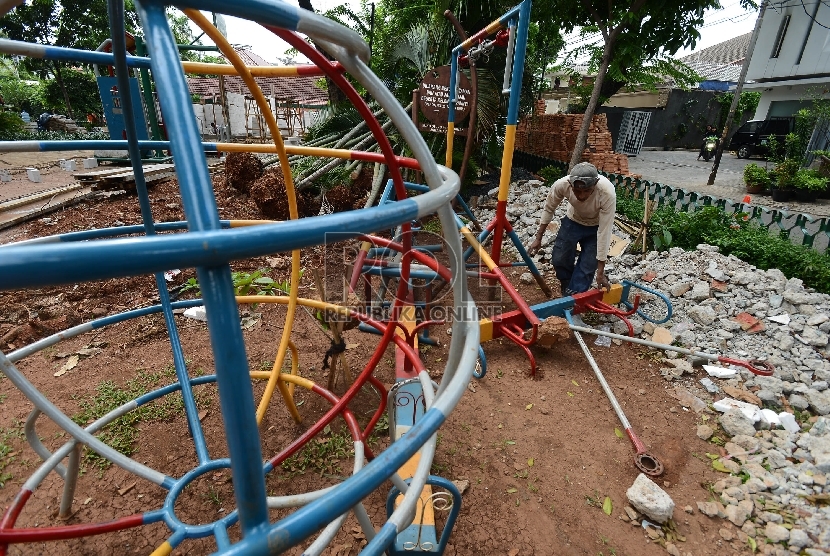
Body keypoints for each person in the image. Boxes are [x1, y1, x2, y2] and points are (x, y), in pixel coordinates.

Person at [528, 162, 616, 295]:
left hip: (595, 227)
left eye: (586, 191)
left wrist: (600, 272)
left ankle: (574, 299)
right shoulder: (562, 184)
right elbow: (549, 208)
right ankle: (567, 285)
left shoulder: (606, 193)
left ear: (595, 183)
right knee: (559, 258)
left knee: (587, 266)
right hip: (573, 221)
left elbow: (605, 231)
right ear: (570, 184)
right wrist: (538, 238)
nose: (581, 196)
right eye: (577, 191)